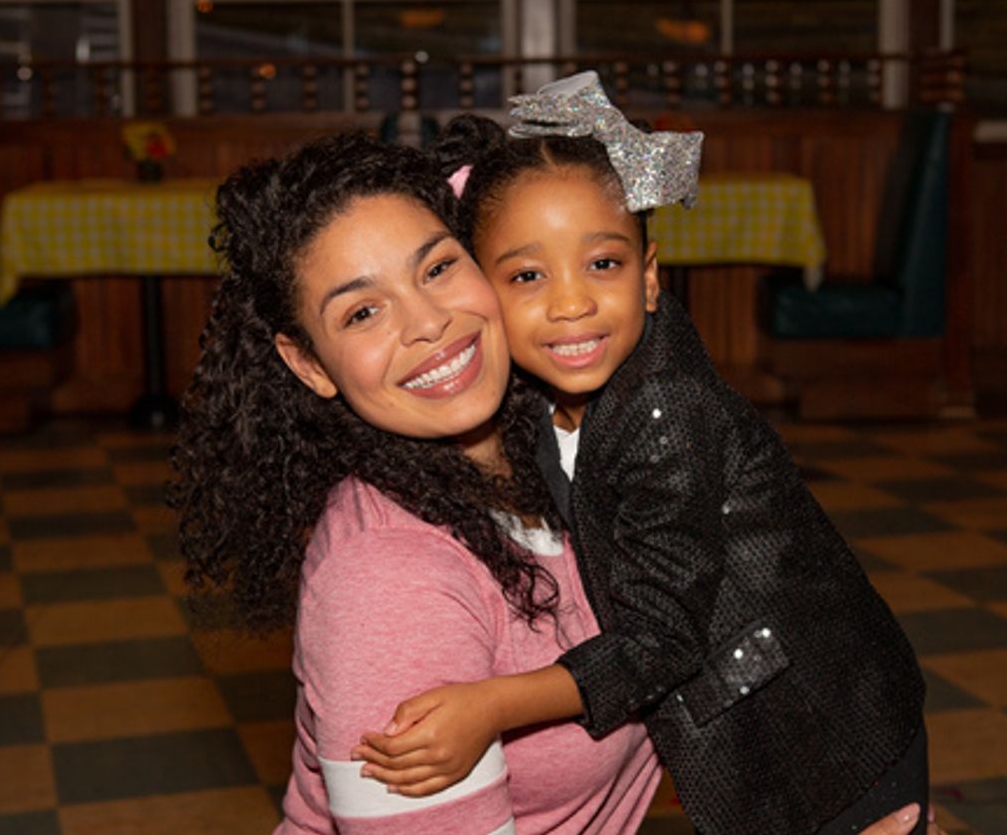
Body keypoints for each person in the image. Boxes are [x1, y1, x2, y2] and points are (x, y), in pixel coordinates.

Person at [172, 130, 939, 835]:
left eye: (438, 267)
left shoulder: (572, 439)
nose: (428, 323)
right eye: (364, 311)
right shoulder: (387, 586)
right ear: (308, 363)